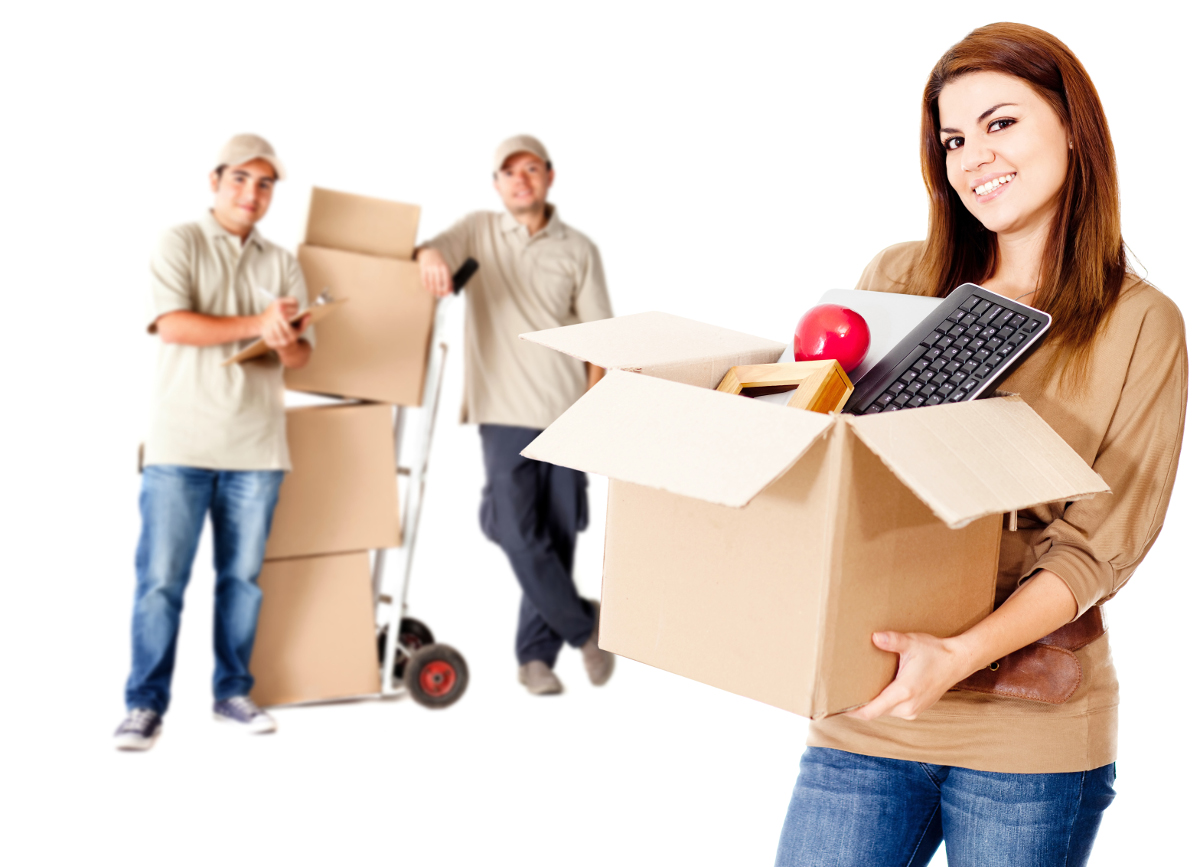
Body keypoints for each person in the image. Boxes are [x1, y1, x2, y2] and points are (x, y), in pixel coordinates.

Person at [776, 23, 1187, 866]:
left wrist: (959, 655)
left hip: (1027, 731)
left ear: (1072, 124)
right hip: (873, 704)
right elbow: (844, 476)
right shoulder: (901, 277)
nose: (972, 158)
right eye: (954, 139)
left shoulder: (1140, 324)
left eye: (1000, 123)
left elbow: (1095, 549)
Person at [114, 134, 314, 751]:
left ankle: (232, 692)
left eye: (264, 185)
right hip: (180, 447)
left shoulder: (281, 262)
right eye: (240, 180)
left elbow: (302, 357)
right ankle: (143, 706)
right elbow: (173, 325)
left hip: (257, 449)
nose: (251, 194)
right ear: (215, 180)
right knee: (160, 582)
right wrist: (258, 323)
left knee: (242, 581)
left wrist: (285, 341)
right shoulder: (180, 242)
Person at [416, 135, 616, 696]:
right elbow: (431, 252)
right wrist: (429, 258)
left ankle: (534, 658)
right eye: (508, 172)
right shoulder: (478, 231)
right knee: (511, 526)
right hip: (502, 411)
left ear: (549, 176)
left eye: (530, 169)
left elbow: (599, 340)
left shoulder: (578, 249)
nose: (520, 179)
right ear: (497, 184)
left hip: (565, 411)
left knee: (555, 533)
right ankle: (584, 625)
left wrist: (591, 412)